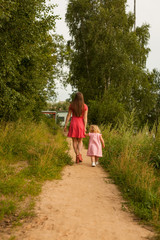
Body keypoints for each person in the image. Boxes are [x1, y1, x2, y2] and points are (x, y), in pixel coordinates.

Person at [64, 92, 88, 163]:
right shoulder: (85, 106)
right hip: (81, 124)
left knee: (74, 141)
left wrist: (65, 125)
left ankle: (77, 155)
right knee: (80, 141)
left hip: (73, 123)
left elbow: (68, 115)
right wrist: (85, 127)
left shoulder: (72, 105)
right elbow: (85, 118)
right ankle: (79, 154)